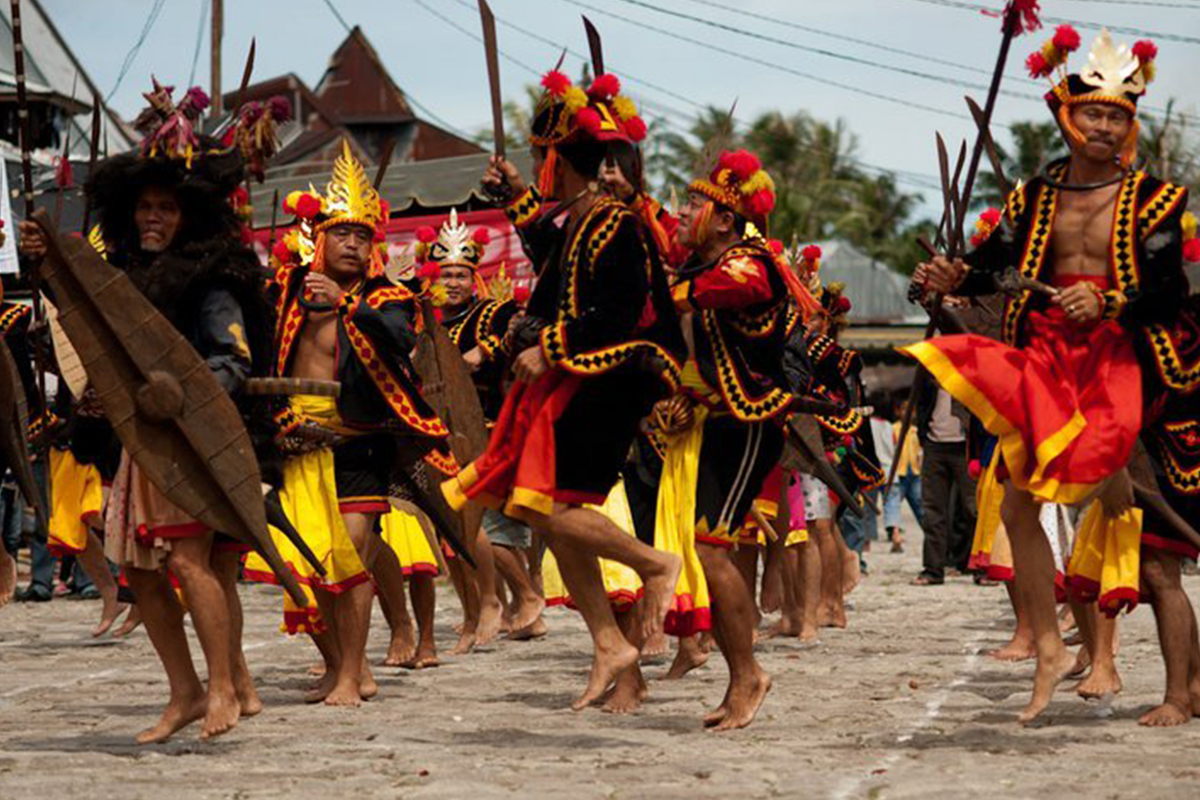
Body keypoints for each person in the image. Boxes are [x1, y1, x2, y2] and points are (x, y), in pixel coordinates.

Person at [906, 29, 1189, 722]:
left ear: (1131, 124)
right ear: (1067, 114)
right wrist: (952, 275)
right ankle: (1048, 646)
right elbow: (992, 265)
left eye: (1118, 115)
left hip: (1124, 368)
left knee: (1155, 556)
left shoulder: (1156, 200)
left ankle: (1183, 693)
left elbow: (1168, 291)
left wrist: (1109, 299)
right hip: (1047, 360)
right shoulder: (1034, 198)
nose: (1105, 126)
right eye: (1094, 112)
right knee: (1017, 503)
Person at [19, 81, 271, 742]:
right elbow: (88, 329)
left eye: (165, 207)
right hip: (141, 447)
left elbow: (232, 361)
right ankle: (187, 690)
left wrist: (177, 393)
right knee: (140, 574)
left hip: (195, 445)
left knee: (193, 566)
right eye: (144, 207)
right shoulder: (125, 278)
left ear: (188, 213)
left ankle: (223, 687)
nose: (152, 217)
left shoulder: (215, 278)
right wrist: (43, 266)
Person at [445, 67, 685, 711]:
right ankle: (613, 649)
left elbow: (616, 306)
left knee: (550, 509)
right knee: (540, 511)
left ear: (557, 161)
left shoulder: (617, 222)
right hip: (578, 375)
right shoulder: (581, 221)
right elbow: (550, 256)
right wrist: (520, 197)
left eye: (538, 162)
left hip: (613, 372)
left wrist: (547, 345)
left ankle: (655, 565)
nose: (535, 170)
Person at [250, 141, 455, 707]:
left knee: (351, 559)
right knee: (301, 567)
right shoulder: (287, 292)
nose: (353, 243)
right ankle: (343, 663)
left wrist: (345, 303)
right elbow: (266, 358)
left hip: (359, 446)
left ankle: (352, 674)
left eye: (363, 235)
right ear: (318, 237)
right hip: (296, 443)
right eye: (342, 233)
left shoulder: (390, 298)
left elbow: (400, 342)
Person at [667, 147, 820, 729]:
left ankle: (748, 675)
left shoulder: (750, 263)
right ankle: (742, 675)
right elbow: (704, 350)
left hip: (752, 421)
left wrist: (654, 288)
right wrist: (686, 391)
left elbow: (714, 293)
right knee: (711, 550)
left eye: (693, 203)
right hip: (722, 419)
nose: (682, 213)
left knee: (712, 549)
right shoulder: (702, 270)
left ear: (726, 219)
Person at [422, 211, 541, 646]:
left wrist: (480, 351)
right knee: (456, 528)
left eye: (460, 274)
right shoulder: (428, 323)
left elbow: (515, 333)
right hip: (442, 435)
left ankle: (519, 600)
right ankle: (506, 608)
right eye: (446, 273)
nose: (452, 282)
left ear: (474, 277)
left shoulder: (493, 311)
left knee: (488, 526)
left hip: (491, 429)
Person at [912, 378, 977, 585]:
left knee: (973, 508)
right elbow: (921, 404)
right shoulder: (929, 373)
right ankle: (933, 569)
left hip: (965, 445)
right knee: (933, 511)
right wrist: (924, 436)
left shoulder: (968, 373)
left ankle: (980, 567)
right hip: (934, 446)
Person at [886, 400, 924, 553]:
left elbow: (919, 452)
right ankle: (895, 535)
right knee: (893, 504)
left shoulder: (915, 431)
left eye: (911, 410)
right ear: (898, 411)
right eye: (904, 409)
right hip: (898, 472)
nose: (908, 413)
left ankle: (931, 535)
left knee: (921, 505)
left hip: (914, 472)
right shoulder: (893, 429)